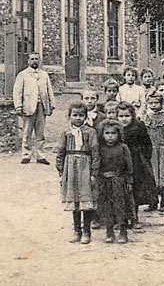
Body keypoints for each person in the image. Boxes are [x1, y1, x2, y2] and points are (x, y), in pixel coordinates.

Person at [56, 102, 100, 245]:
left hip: (85, 167)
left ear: (86, 117)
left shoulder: (91, 132)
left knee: (86, 201)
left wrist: (94, 173)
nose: (78, 118)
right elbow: (60, 153)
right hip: (71, 169)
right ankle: (77, 230)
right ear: (69, 117)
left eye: (81, 115)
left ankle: (87, 231)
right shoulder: (66, 134)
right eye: (75, 115)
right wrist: (61, 172)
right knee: (74, 201)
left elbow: (95, 152)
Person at [116, 102, 157, 230]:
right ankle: (121, 219)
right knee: (119, 190)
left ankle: (134, 218)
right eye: (121, 116)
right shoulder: (114, 128)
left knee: (134, 190)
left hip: (136, 163)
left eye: (127, 116)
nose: (124, 119)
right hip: (118, 162)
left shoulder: (139, 126)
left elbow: (147, 144)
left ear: (132, 116)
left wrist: (144, 159)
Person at [13, 52, 56, 164]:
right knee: (27, 132)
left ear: (39, 61)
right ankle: (26, 155)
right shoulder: (22, 75)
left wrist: (52, 104)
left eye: (36, 59)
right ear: (28, 61)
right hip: (28, 106)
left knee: (40, 132)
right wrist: (18, 106)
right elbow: (17, 92)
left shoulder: (44, 75)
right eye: (32, 59)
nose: (34, 61)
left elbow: (49, 90)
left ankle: (40, 156)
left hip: (41, 106)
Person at [95, 119, 134, 244]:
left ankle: (123, 231)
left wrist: (129, 181)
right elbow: (97, 164)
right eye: (107, 133)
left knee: (121, 206)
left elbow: (129, 166)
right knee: (106, 206)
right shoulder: (100, 148)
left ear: (119, 134)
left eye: (113, 133)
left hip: (119, 181)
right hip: (104, 181)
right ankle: (109, 231)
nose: (110, 136)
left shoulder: (123, 147)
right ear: (102, 134)